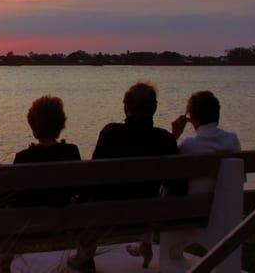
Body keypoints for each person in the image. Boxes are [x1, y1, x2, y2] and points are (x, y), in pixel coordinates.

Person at [68, 82, 180, 272]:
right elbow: (177, 184)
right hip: (150, 212)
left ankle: (84, 255)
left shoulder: (111, 133)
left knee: (85, 198)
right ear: (155, 108)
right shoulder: (165, 139)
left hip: (108, 211)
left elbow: (94, 175)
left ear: (126, 107)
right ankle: (145, 244)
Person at [0, 95, 81, 273]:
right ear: (61, 124)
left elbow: (14, 197)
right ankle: (85, 258)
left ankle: (5, 265)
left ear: (33, 126)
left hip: (28, 224)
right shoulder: (72, 152)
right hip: (65, 220)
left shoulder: (23, 158)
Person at [171, 91, 241, 193]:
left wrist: (174, 136)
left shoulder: (187, 145)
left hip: (194, 206)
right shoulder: (232, 139)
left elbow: (168, 173)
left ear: (192, 118)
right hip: (227, 205)